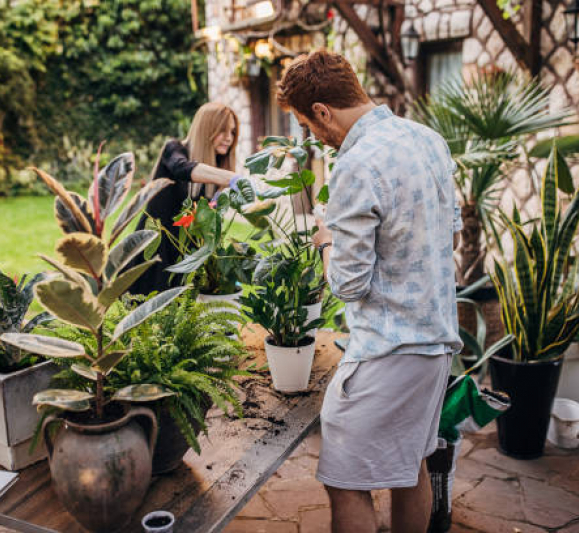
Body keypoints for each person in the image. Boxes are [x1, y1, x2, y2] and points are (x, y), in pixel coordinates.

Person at [277, 49, 463, 533]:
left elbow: (348, 283)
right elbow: (453, 234)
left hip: (388, 352)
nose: (315, 137)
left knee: (345, 480)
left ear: (322, 111)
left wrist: (327, 240)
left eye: (308, 124)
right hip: (437, 344)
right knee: (410, 466)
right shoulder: (428, 139)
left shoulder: (356, 164)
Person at [129, 102, 241, 296]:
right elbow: (181, 168)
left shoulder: (215, 168)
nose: (229, 138)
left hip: (188, 258)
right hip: (156, 252)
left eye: (232, 132)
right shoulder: (174, 149)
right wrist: (232, 178)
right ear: (207, 129)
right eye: (222, 131)